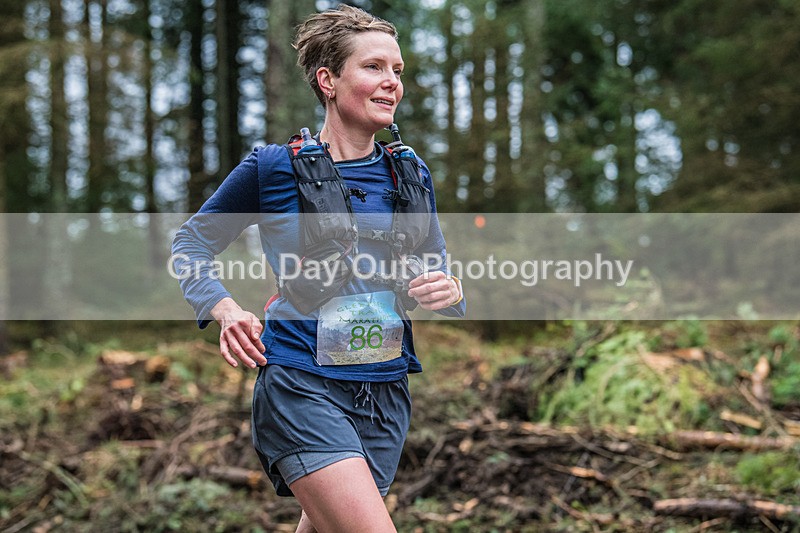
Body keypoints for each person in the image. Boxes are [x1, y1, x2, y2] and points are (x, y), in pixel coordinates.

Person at [172, 5, 464, 532]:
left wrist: (445, 285)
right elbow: (190, 243)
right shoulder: (272, 168)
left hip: (384, 390)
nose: (391, 83)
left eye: (397, 71)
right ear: (328, 80)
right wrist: (223, 307)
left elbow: (434, 260)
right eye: (374, 67)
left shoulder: (411, 172)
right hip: (302, 383)